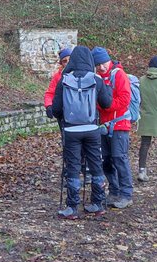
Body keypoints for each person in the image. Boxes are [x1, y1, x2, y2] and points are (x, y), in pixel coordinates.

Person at [51, 45, 111, 219]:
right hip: (92, 129)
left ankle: (72, 207)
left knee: (73, 167)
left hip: (71, 130)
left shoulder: (64, 80)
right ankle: (97, 204)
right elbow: (106, 103)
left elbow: (55, 109)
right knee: (95, 165)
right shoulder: (96, 79)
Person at [92, 46, 134, 209]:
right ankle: (114, 190)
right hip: (104, 125)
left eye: (104, 63)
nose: (102, 67)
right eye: (98, 64)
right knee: (107, 160)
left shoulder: (119, 74)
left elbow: (125, 99)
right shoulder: (97, 79)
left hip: (119, 124)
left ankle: (126, 194)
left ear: (109, 60)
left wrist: (107, 105)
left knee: (119, 158)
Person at [44, 47, 73, 119]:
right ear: (61, 63)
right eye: (65, 61)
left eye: (70, 59)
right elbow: (50, 93)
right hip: (63, 113)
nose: (68, 62)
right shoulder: (57, 77)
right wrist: (49, 106)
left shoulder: (81, 74)